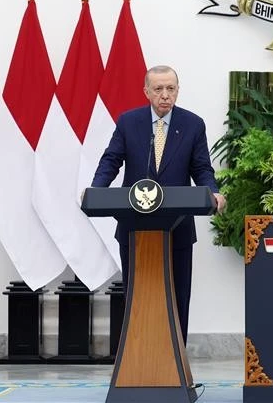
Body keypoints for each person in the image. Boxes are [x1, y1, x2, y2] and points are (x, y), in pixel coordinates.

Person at [91, 65, 226, 344]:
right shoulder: (129, 122)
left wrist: (213, 192)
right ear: (147, 92)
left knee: (178, 297)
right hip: (134, 227)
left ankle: (176, 364)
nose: (165, 95)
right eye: (158, 89)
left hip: (177, 229)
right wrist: (96, 190)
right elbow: (111, 160)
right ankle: (137, 364)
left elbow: (202, 168)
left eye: (170, 89)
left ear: (177, 90)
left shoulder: (192, 124)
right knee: (137, 295)